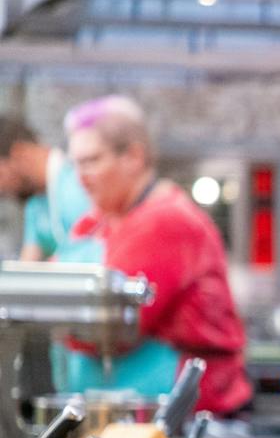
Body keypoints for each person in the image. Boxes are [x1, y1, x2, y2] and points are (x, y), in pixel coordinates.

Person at [65, 96, 251, 415]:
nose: (81, 176)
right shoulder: (101, 222)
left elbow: (115, 327)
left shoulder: (164, 221)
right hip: (128, 406)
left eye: (92, 161)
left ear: (134, 156)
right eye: (76, 164)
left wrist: (54, 320)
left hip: (184, 411)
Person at [0, 116, 102, 262]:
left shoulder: (77, 179)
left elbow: (98, 246)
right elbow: (27, 266)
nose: (1, 188)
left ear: (19, 153)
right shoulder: (35, 204)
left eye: (1, 175)